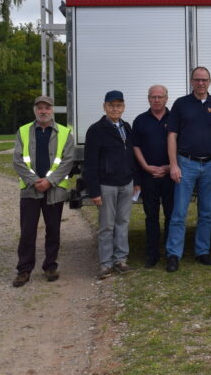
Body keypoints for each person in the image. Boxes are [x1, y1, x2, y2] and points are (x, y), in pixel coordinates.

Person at [165, 67, 211, 272]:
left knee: (207, 212)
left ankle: (203, 251)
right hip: (187, 164)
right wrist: (174, 164)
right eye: (197, 80)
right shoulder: (181, 104)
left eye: (204, 80)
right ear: (191, 81)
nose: (201, 83)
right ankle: (174, 254)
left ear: (210, 81)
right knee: (179, 213)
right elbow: (172, 136)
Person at [11, 95, 75, 287]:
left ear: (52, 110)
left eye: (47, 108)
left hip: (54, 190)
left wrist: (49, 181)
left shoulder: (65, 133)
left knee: (53, 230)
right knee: (27, 232)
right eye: (40, 108)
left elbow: (67, 161)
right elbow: (18, 161)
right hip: (30, 191)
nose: (43, 111)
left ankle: (50, 266)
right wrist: (34, 181)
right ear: (35, 110)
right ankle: (24, 270)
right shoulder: (23, 131)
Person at [84, 90, 140, 279]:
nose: (115, 108)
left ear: (123, 107)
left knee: (123, 223)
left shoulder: (127, 127)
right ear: (105, 107)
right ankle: (106, 264)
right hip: (107, 185)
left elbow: (132, 156)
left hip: (126, 183)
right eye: (111, 105)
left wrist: (136, 181)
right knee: (107, 226)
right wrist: (94, 191)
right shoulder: (96, 130)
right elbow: (90, 163)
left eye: (118, 105)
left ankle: (121, 260)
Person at [132, 85, 174, 268]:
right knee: (151, 217)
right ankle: (152, 254)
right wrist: (146, 167)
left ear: (166, 98)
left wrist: (168, 167)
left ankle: (171, 254)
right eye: (153, 97)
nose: (156, 100)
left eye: (160, 97)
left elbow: (180, 146)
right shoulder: (140, 120)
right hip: (148, 176)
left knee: (172, 216)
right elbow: (135, 147)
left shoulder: (175, 118)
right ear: (148, 99)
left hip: (170, 175)